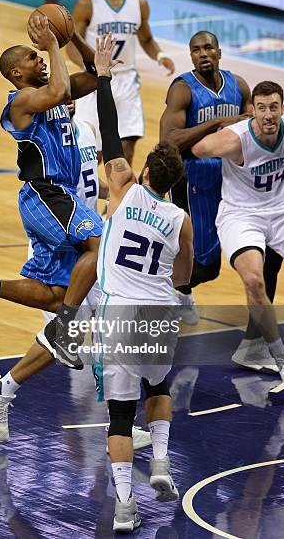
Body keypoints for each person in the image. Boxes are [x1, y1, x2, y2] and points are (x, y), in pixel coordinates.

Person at [0, 14, 103, 370]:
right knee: (98, 245)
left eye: (40, 55)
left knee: (57, 294)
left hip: (56, 198)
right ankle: (64, 328)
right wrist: (54, 44)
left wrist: (72, 35)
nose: (40, 58)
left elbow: (97, 75)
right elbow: (58, 91)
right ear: (16, 73)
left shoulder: (51, 94)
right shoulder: (22, 101)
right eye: (32, 57)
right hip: (46, 194)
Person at [92, 34, 193, 532]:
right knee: (159, 384)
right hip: (160, 310)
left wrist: (104, 74)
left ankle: (126, 506)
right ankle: (161, 464)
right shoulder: (179, 218)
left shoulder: (121, 186)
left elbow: (110, 130)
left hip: (120, 310)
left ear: (146, 169)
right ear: (172, 182)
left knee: (117, 416)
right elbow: (185, 274)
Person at [159, 31, 284, 374]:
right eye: (197, 49)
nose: (203, 54)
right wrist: (214, 124)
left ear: (219, 51)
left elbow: (255, 128)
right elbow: (168, 141)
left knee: (268, 252)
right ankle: (169, 291)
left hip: (236, 184)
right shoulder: (183, 89)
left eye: (208, 48)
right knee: (205, 266)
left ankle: (255, 343)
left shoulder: (239, 85)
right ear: (190, 54)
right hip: (195, 182)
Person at [191, 80, 284, 392]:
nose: (268, 114)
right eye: (262, 108)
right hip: (241, 216)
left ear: (282, 109)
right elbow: (198, 149)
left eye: (274, 107)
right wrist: (225, 127)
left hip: (282, 211)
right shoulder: (236, 141)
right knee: (255, 281)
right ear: (252, 111)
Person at [67, 0, 175, 165]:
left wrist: (160, 55)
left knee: (127, 143)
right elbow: (71, 46)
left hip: (126, 81)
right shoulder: (87, 3)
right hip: (94, 81)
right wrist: (91, 67)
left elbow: (145, 39)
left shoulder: (139, 3)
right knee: (91, 149)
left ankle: (120, 197)